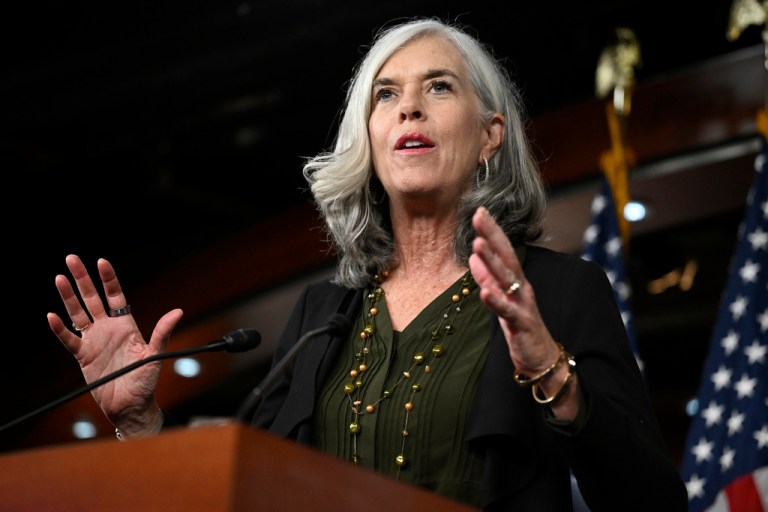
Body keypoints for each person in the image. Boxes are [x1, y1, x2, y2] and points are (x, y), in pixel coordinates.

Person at [47, 17, 688, 511]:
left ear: (490, 134)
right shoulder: (322, 315)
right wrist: (142, 424)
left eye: (439, 86)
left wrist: (551, 371)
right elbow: (252, 489)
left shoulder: (561, 291)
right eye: (386, 95)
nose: (409, 107)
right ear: (371, 140)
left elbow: (652, 501)